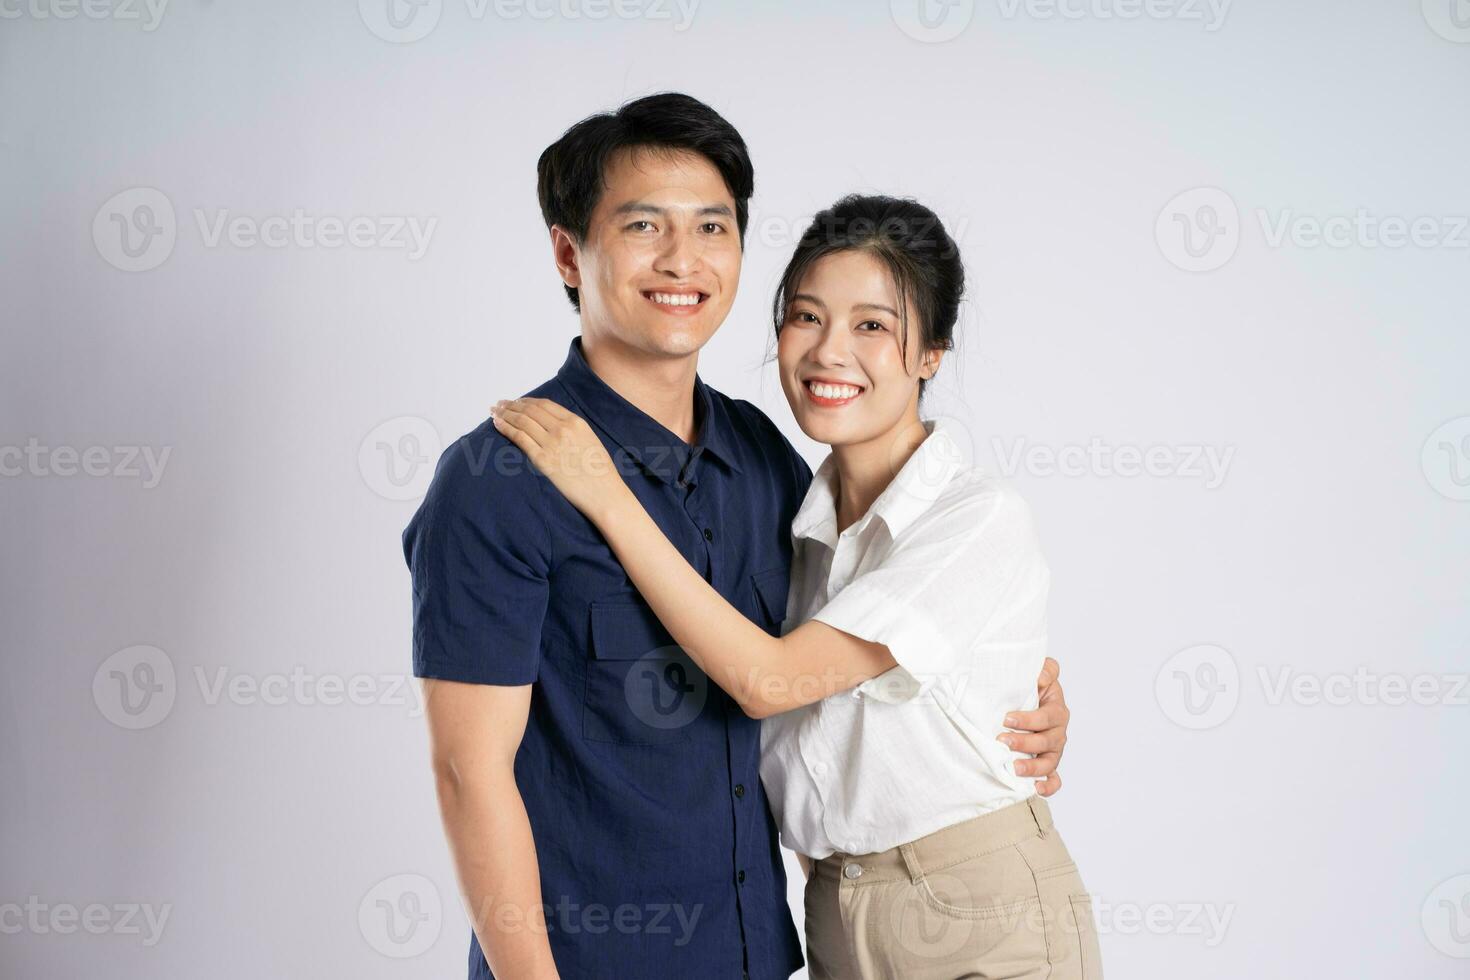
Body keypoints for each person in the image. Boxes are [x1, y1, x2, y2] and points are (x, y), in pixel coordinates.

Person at [404, 93, 1073, 980]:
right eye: (644, 226)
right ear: (570, 251)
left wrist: (1017, 700)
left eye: (712, 228)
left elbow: (813, 665)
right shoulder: (502, 477)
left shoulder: (764, 459)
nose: (683, 260)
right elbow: (467, 774)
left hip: (762, 956)